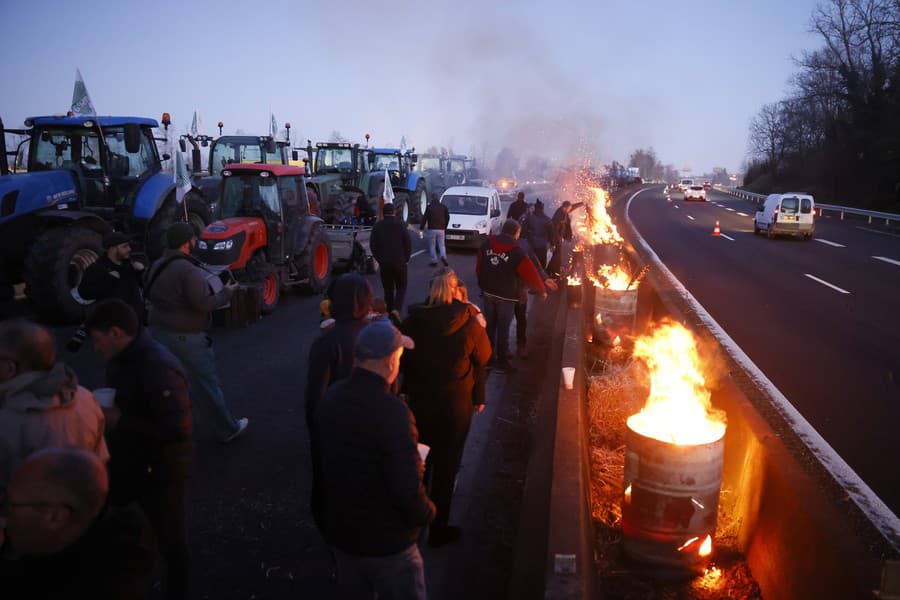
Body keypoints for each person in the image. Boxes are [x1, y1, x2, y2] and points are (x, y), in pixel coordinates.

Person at [313, 320, 435, 599]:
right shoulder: (394, 413)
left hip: (344, 536)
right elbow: (405, 488)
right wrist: (427, 513)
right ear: (390, 361)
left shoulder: (332, 397)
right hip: (389, 544)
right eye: (399, 358)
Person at [85, 299, 192, 600]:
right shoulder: (123, 358)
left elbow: (177, 430)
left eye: (98, 339)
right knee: (126, 530)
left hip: (162, 469)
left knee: (172, 541)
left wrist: (121, 420)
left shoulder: (157, 366)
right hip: (129, 461)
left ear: (116, 333)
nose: (96, 348)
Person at [400, 269, 491, 546]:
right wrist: (478, 394)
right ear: (454, 291)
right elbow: (484, 357)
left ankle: (415, 520)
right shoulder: (470, 322)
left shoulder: (413, 322)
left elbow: (402, 359)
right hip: (455, 404)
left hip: (420, 400)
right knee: (447, 463)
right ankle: (439, 527)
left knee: (420, 459)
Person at [0, 448, 156, 599]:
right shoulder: (64, 546)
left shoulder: (99, 585)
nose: (3, 519)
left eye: (8, 505)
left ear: (55, 516)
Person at [144, 222, 248, 443]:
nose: (196, 242)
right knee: (206, 384)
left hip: (158, 332)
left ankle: (169, 427)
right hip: (186, 336)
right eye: (193, 239)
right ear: (186, 242)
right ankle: (227, 428)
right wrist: (227, 293)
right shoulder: (187, 270)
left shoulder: (158, 265)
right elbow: (203, 303)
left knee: (167, 382)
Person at [0, 320, 109, 490]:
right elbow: (99, 460)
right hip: (80, 503)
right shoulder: (85, 397)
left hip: (27, 512)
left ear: (9, 368)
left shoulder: (7, 419)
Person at [476, 219, 547, 373]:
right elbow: (531, 274)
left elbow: (479, 267)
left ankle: (488, 359)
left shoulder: (487, 244)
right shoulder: (516, 251)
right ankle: (502, 362)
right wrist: (541, 290)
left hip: (488, 292)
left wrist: (483, 285)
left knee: (490, 327)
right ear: (516, 233)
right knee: (503, 329)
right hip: (507, 296)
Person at [304, 273, 374, 429]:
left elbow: (315, 397)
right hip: (373, 422)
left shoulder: (326, 342)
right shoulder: (378, 335)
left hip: (338, 424)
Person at [77, 231, 146, 320]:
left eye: (129, 246)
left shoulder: (130, 265)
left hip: (135, 322)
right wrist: (108, 279)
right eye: (125, 246)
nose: (129, 249)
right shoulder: (97, 269)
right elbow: (84, 293)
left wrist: (141, 272)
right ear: (112, 249)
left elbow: (145, 287)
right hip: (113, 325)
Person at [512, 238, 558, 359]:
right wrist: (542, 287)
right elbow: (533, 267)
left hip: (505, 291)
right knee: (520, 318)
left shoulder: (497, 243)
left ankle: (500, 353)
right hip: (517, 290)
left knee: (502, 322)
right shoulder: (523, 245)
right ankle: (520, 347)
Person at [370, 202, 412, 315]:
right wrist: (406, 259)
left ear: (383, 213)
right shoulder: (401, 225)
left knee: (388, 289)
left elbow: (372, 244)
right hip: (400, 262)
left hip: (385, 263)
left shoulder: (378, 226)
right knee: (401, 287)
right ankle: (397, 310)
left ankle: (389, 310)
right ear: (394, 212)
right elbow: (407, 243)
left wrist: (379, 259)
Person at [421, 192, 450, 267]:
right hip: (441, 229)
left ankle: (434, 260)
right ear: (438, 199)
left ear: (431, 199)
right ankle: (443, 256)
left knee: (432, 245)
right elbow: (447, 217)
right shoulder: (443, 207)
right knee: (442, 245)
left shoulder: (429, 207)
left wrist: (421, 227)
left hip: (432, 229)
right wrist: (445, 226)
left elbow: (425, 218)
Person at [522, 199, 553, 269]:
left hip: (531, 245)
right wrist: (552, 243)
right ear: (542, 209)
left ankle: (532, 276)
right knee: (541, 264)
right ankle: (541, 277)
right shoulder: (547, 220)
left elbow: (524, 231)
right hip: (542, 246)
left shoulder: (529, 218)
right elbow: (551, 234)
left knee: (532, 263)